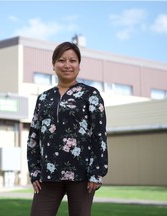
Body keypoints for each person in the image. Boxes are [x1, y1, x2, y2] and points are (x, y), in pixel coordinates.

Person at [27, 41, 108, 216]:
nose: (67, 65)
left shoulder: (90, 95)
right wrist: (34, 171)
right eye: (61, 60)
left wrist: (97, 172)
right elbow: (34, 136)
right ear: (54, 65)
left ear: (79, 66)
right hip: (48, 176)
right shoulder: (44, 98)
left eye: (72, 61)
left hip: (82, 175)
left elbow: (99, 136)